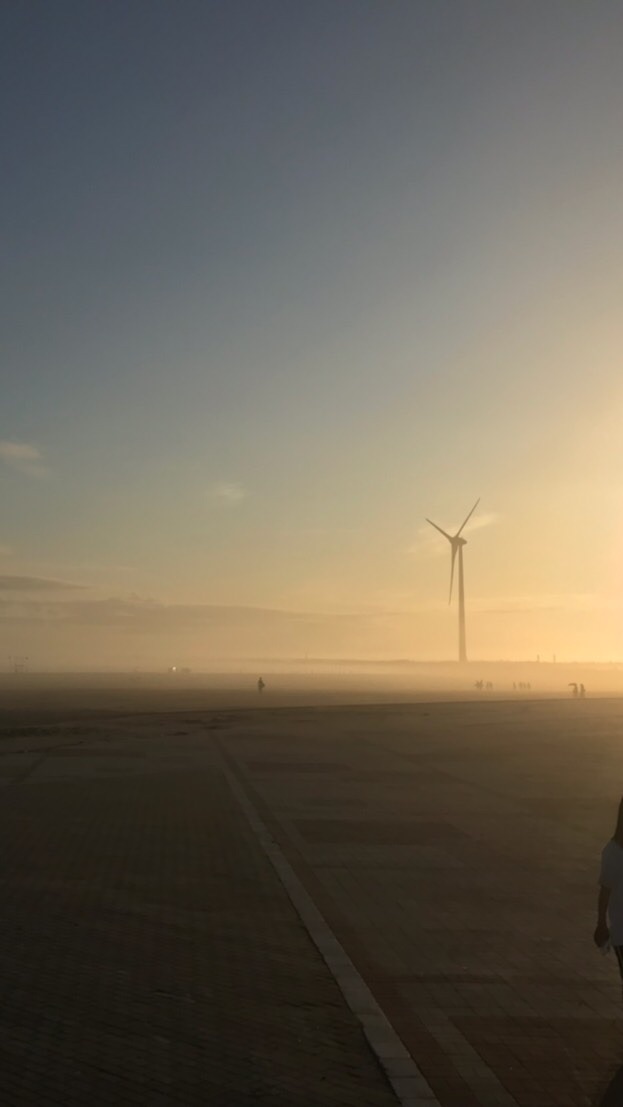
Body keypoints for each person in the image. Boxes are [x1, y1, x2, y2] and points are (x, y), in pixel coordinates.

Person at [595, 798, 623, 990]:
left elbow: (605, 891)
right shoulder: (614, 852)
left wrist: (601, 923)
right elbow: (605, 891)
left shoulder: (613, 851)